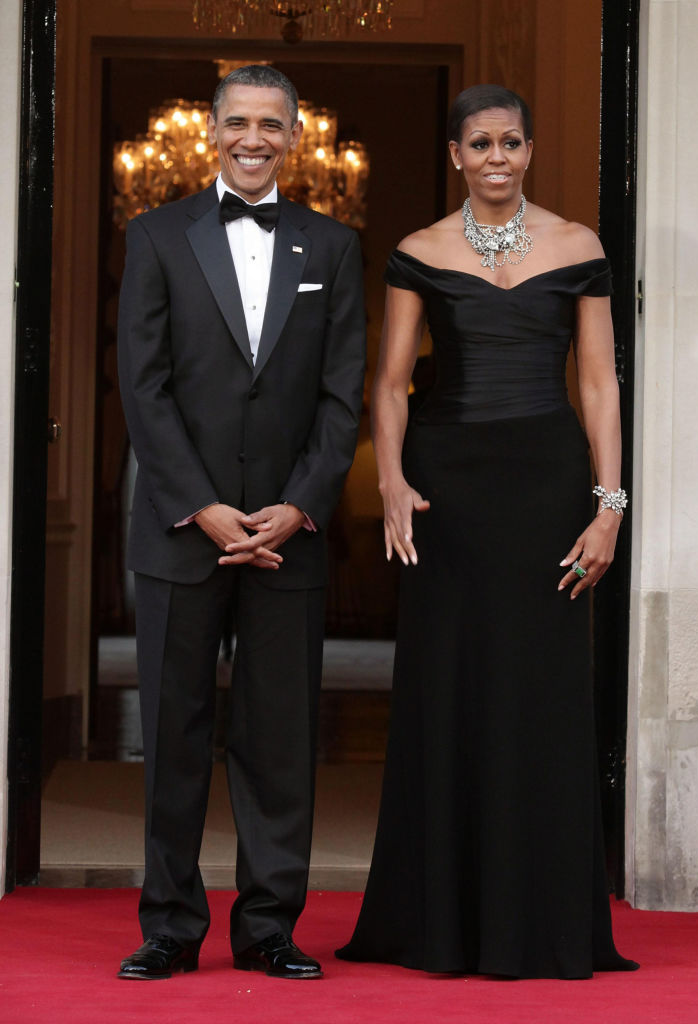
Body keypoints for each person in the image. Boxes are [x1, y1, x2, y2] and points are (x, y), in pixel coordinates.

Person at [336, 84, 637, 979]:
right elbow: (389, 383)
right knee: (450, 686)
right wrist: (390, 479)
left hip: (547, 484)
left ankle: (539, 922)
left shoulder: (579, 245)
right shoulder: (417, 250)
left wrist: (608, 506)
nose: (497, 157)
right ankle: (442, 921)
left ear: (531, 151)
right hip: (448, 494)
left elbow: (598, 385)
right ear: (458, 156)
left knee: (540, 691)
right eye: (480, 144)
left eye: (512, 142)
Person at [116, 65, 366, 981]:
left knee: (277, 743)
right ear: (210, 130)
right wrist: (203, 505)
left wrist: (300, 506)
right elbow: (142, 388)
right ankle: (170, 929)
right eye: (236, 122)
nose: (251, 138)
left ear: (295, 135)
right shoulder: (156, 235)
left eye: (270, 124)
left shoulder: (332, 246)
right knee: (174, 739)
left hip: (286, 540)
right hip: (184, 530)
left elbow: (344, 397)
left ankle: (269, 928)